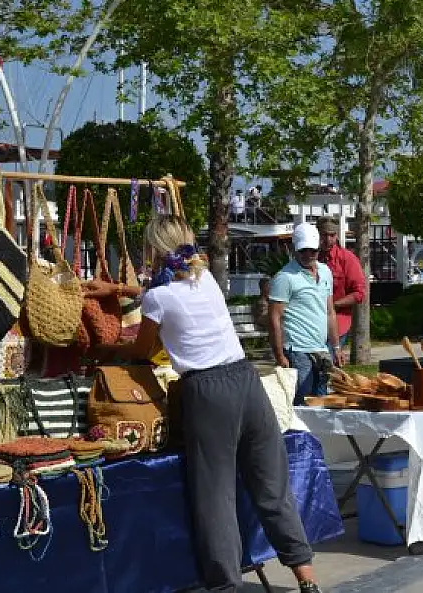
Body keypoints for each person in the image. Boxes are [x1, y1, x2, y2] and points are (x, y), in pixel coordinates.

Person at [93, 215, 322, 593]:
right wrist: (121, 287)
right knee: (272, 486)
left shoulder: (158, 297)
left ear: (154, 250)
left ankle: (226, 586)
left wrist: (114, 343)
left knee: (215, 498)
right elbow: (167, 287)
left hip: (207, 391)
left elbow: (141, 347)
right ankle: (306, 577)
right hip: (247, 382)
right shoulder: (207, 279)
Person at [269, 223, 343, 405]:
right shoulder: (284, 277)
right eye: (303, 251)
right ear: (295, 249)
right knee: (302, 403)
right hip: (297, 350)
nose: (308, 255)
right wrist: (279, 355)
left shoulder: (325, 272)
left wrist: (336, 347)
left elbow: (329, 311)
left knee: (321, 402)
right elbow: (274, 318)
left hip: (321, 349)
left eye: (313, 250)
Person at [315, 217, 365, 355]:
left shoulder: (347, 258)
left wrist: (334, 305)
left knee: (327, 367)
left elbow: (359, 293)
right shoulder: (310, 257)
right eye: (324, 234)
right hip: (312, 324)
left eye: (332, 235)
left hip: (338, 323)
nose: (328, 239)